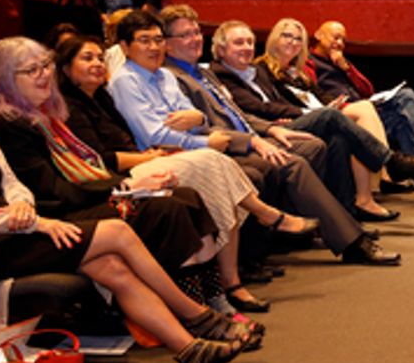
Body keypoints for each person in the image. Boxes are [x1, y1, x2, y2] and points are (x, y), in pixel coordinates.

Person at [0, 44, 254, 363]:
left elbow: (15, 185)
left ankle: (189, 349)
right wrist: (31, 219)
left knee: (111, 266)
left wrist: (21, 205)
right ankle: (198, 316)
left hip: (14, 231)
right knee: (117, 231)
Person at [106, 9, 401, 266]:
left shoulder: (179, 75)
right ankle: (353, 234)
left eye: (196, 32)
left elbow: (202, 117)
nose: (195, 39)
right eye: (183, 36)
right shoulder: (151, 77)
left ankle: (339, 225)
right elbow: (161, 133)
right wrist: (242, 139)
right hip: (197, 151)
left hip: (238, 136)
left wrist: (262, 129)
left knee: (330, 140)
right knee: (299, 154)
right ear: (126, 46)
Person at [57, 33, 317, 312]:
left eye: (99, 57)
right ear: (66, 68)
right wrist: (149, 155)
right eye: (87, 58)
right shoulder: (74, 104)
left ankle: (229, 283)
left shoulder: (101, 98)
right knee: (213, 161)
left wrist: (197, 119)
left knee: (218, 173)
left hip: (151, 157)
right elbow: (102, 159)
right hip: (127, 173)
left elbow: (193, 117)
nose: (97, 63)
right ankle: (261, 227)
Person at [212, 18, 414, 219]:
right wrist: (302, 115)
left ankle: (369, 197)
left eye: (298, 38)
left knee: (400, 101)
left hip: (316, 115)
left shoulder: (292, 72)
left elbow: (354, 91)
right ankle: (389, 167)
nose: (293, 42)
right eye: (287, 36)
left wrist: (343, 76)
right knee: (356, 112)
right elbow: (263, 106)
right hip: (284, 125)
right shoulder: (261, 68)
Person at [307, 19, 414, 206]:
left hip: (367, 112)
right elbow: (313, 98)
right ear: (319, 35)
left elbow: (367, 90)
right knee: (399, 119)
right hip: (345, 117)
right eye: (336, 37)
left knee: (406, 99)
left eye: (343, 40)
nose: (340, 44)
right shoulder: (308, 63)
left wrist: (347, 69)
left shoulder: (341, 62)